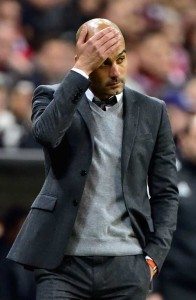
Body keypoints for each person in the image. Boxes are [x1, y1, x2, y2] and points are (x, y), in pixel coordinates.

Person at [7, 18, 178, 300]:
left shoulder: (152, 110)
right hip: (62, 265)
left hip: (127, 265)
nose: (116, 72)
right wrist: (79, 72)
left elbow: (166, 190)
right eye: (102, 62)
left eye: (121, 59)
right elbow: (47, 136)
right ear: (83, 63)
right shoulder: (50, 97)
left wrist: (153, 257)